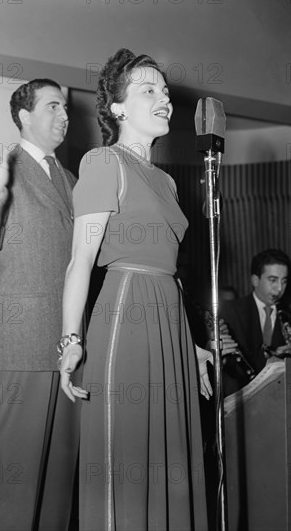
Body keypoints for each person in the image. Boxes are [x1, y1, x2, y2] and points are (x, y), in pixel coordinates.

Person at [58, 48, 212, 531]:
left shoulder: (166, 180)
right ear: (118, 107)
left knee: (170, 460)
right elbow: (80, 260)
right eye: (148, 90)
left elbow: (171, 270)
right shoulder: (104, 161)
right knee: (125, 459)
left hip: (170, 318)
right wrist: (70, 340)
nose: (163, 98)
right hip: (126, 313)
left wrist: (191, 344)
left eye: (165, 91)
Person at [0, 79, 80, 531]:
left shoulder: (70, 180)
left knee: (58, 482)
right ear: (24, 116)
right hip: (24, 341)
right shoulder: (1, 169)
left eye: (66, 107)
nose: (64, 115)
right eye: (53, 106)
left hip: (70, 349)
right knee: (15, 478)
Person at [219, 248, 290, 396]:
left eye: (284, 281)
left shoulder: (290, 317)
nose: (279, 289)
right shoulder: (231, 311)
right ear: (255, 280)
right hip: (240, 402)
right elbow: (229, 366)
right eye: (273, 280)